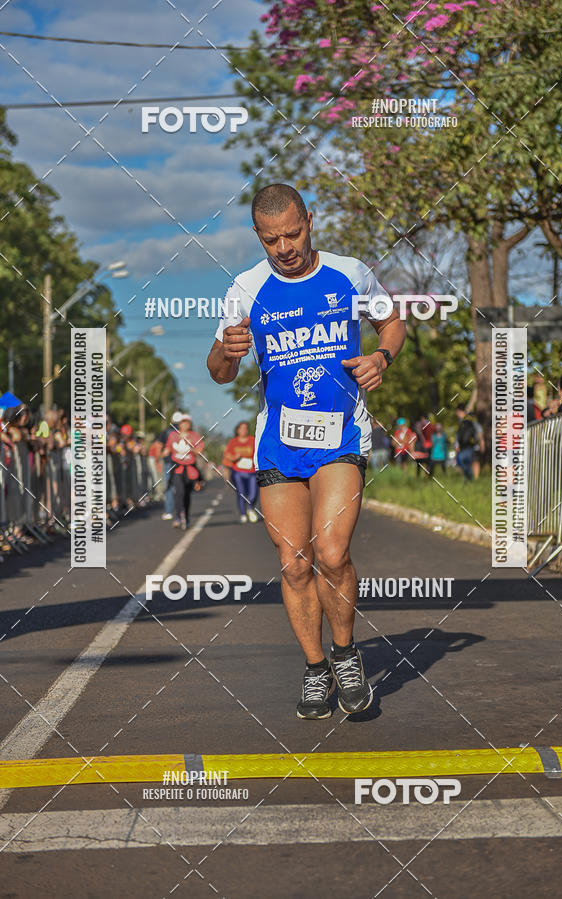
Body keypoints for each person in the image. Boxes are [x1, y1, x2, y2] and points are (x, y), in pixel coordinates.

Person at [207, 183, 406, 719]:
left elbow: (392, 321)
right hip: (279, 441)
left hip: (340, 434)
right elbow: (220, 371)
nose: (285, 248)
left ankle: (345, 654)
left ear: (309, 221)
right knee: (295, 564)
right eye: (271, 239)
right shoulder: (245, 288)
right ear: (258, 235)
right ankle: (316, 667)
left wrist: (381, 358)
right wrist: (227, 352)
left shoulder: (350, 273)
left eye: (293, 234)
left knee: (332, 553)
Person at [163, 414, 204, 529]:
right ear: (179, 424)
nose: (185, 425)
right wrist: (163, 453)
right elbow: (167, 449)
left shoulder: (194, 436)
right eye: (183, 422)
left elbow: (199, 451)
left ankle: (186, 516)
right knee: (179, 492)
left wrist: (190, 445)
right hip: (177, 468)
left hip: (190, 469)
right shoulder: (173, 435)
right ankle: (178, 516)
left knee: (187, 494)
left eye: (187, 422)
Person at [223, 421, 259, 523]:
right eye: (241, 428)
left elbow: (258, 452)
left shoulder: (253, 440)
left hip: (252, 471)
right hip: (238, 472)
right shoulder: (233, 442)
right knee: (241, 492)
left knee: (253, 493)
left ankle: (250, 508)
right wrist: (235, 457)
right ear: (237, 430)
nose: (244, 430)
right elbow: (227, 455)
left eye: (245, 428)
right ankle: (243, 514)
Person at [157, 411, 182, 520]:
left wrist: (158, 460)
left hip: (169, 462)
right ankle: (181, 510)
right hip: (181, 463)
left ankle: (169, 511)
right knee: (181, 486)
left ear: (172, 420)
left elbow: (159, 446)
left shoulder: (166, 432)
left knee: (169, 486)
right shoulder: (184, 432)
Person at [455, 404, 478, 481]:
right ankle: (468, 478)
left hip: (468, 445)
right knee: (462, 462)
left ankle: (470, 477)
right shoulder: (461, 421)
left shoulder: (468, 420)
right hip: (464, 446)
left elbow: (474, 432)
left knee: (462, 460)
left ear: (459, 411)